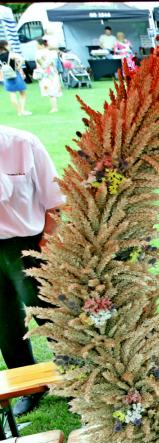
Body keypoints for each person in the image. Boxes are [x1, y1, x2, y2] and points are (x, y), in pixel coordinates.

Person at [0, 126, 65, 415]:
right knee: (5, 325)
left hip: (28, 244)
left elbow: (55, 202)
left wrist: (47, 243)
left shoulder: (24, 143)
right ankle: (28, 387)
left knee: (51, 315)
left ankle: (76, 379)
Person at [0, 40, 30, 117]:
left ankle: (19, 111)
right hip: (15, 75)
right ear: (5, 46)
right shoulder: (11, 54)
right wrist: (18, 67)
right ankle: (22, 110)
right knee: (22, 94)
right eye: (8, 45)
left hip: (6, 76)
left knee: (12, 94)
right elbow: (22, 59)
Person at [35, 39, 62, 114]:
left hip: (47, 74)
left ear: (42, 45)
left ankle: (54, 108)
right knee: (53, 90)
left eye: (37, 44)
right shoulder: (50, 52)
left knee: (51, 91)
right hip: (53, 73)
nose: (36, 46)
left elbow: (42, 64)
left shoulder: (39, 53)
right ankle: (55, 107)